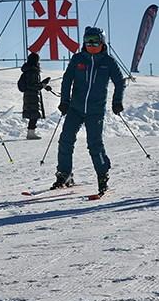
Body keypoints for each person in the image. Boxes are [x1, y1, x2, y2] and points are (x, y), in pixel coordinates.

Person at [53, 26, 125, 195]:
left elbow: (120, 82)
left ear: (102, 42)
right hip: (75, 108)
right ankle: (64, 174)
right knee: (65, 140)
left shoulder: (108, 62)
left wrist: (117, 101)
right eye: (87, 41)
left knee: (94, 144)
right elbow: (67, 80)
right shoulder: (78, 59)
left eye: (95, 41)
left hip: (95, 110)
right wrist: (64, 101)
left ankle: (102, 175)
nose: (91, 44)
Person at [19, 52, 52, 140]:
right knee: (34, 114)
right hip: (32, 96)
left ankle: (31, 132)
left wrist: (43, 85)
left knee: (33, 114)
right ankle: (31, 133)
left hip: (28, 95)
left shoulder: (28, 70)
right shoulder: (33, 71)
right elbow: (32, 85)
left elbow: (32, 84)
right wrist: (43, 84)